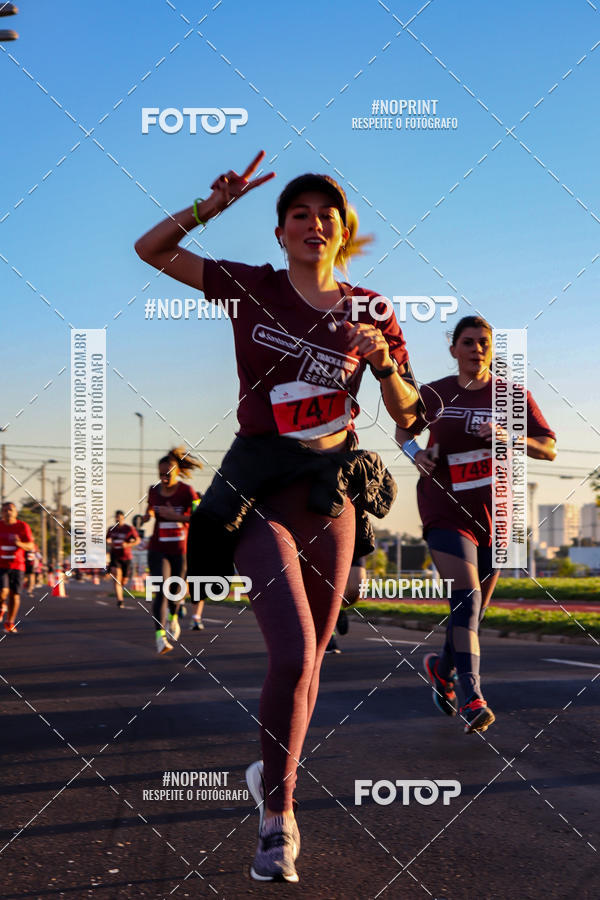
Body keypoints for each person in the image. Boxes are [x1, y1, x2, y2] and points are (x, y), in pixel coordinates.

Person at [135, 152, 419, 882]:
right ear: (281, 229)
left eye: (327, 213)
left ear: (343, 230)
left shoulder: (372, 308)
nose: (313, 223)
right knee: (291, 653)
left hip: (332, 488)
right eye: (299, 213)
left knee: (314, 658)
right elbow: (150, 250)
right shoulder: (249, 285)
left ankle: (273, 772)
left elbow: (412, 413)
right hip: (261, 484)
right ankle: (278, 817)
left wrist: (384, 364)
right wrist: (209, 205)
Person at [396, 316, 556, 734]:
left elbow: (549, 448)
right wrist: (417, 453)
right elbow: (403, 428)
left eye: (484, 342)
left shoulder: (513, 395)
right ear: (454, 350)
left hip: (497, 515)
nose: (477, 349)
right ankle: (471, 696)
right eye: (468, 342)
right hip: (445, 508)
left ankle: (440, 666)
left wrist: (509, 436)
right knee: (465, 598)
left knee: (476, 611)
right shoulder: (434, 393)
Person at [142, 447, 201, 653]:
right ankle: (160, 638)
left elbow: (198, 517)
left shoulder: (188, 492)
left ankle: (174, 618)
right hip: (158, 549)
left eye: (167, 474)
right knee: (161, 591)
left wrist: (176, 517)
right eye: (160, 475)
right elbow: (149, 508)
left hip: (180, 550)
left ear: (177, 472)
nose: (163, 478)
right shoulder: (153, 491)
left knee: (176, 593)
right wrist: (146, 516)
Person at [0, 501, 35, 633]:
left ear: (15, 512)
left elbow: (30, 545)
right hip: (1, 564)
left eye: (10, 510)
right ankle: (1, 607)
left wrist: (19, 543)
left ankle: (10, 622)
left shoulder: (22, 526)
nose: (8, 512)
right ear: (2, 513)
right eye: (5, 510)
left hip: (17, 565)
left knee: (15, 595)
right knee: (3, 591)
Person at [325, 555, 367, 654]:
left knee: (357, 590)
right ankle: (327, 634)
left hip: (356, 544)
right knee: (325, 587)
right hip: (322, 542)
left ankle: (336, 609)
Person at [106, 511, 140, 607]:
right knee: (117, 578)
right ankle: (120, 600)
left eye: (120, 518)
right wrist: (109, 543)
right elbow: (107, 539)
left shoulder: (129, 529)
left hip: (126, 556)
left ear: (123, 518)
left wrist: (128, 544)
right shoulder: (111, 529)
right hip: (115, 556)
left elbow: (138, 540)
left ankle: (121, 591)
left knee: (123, 581)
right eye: (116, 518)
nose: (118, 520)